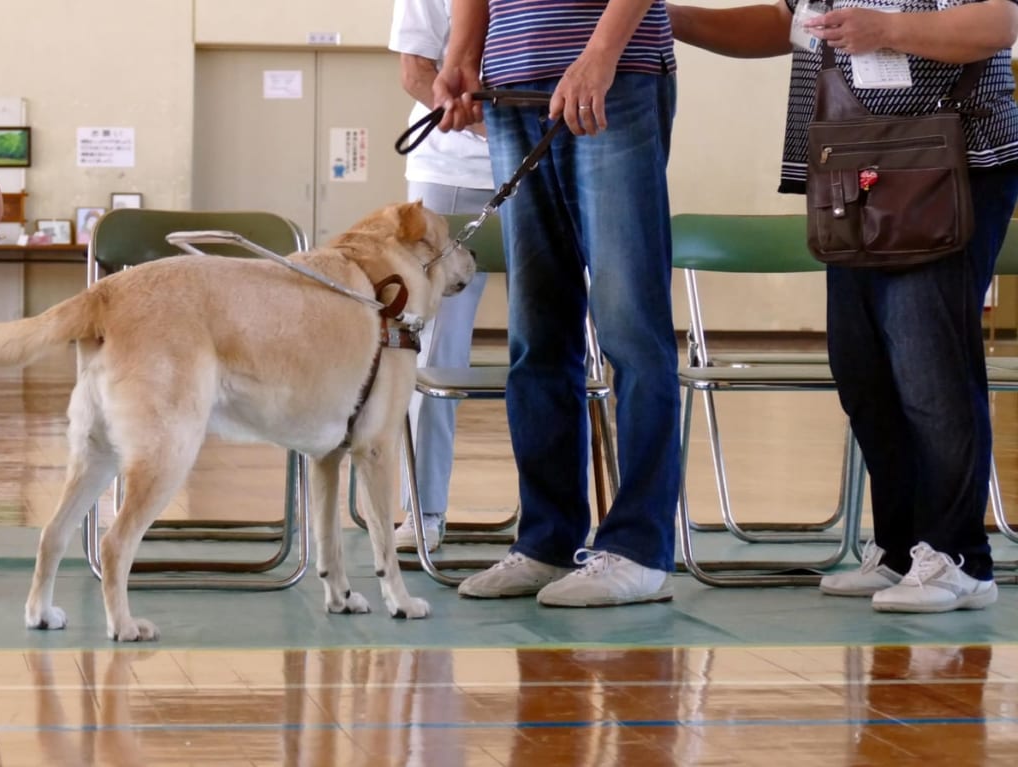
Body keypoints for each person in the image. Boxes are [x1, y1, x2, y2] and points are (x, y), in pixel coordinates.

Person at [669, 0, 1018, 612]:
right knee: (864, 371)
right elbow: (787, 23)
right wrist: (672, 19)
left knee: (929, 370)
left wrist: (890, 29)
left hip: (942, 160)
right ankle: (903, 547)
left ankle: (959, 558)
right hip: (851, 163)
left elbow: (1001, 22)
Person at [433, 0, 682, 607]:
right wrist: (463, 54)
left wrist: (601, 53)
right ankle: (548, 541)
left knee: (629, 328)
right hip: (512, 77)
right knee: (537, 331)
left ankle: (639, 549)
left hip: (614, 73)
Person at [388, 0, 496, 552]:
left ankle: (556, 519)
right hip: (451, 171)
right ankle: (423, 510)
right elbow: (415, 70)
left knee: (559, 344)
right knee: (434, 352)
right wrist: (489, 124)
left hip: (551, 164)